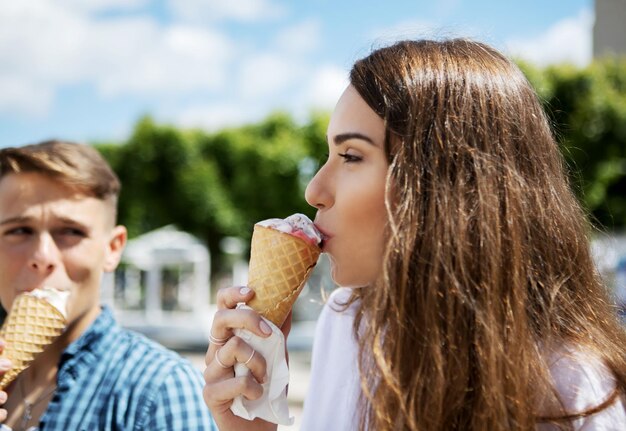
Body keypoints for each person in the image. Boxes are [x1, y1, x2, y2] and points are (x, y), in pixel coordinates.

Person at [202, 39, 626, 430]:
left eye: (350, 156)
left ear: (446, 184)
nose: (314, 190)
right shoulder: (347, 322)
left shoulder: (571, 386)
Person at [0, 140, 216, 430]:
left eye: (70, 231)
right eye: (19, 230)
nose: (42, 257)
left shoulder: (161, 389)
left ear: (113, 248)